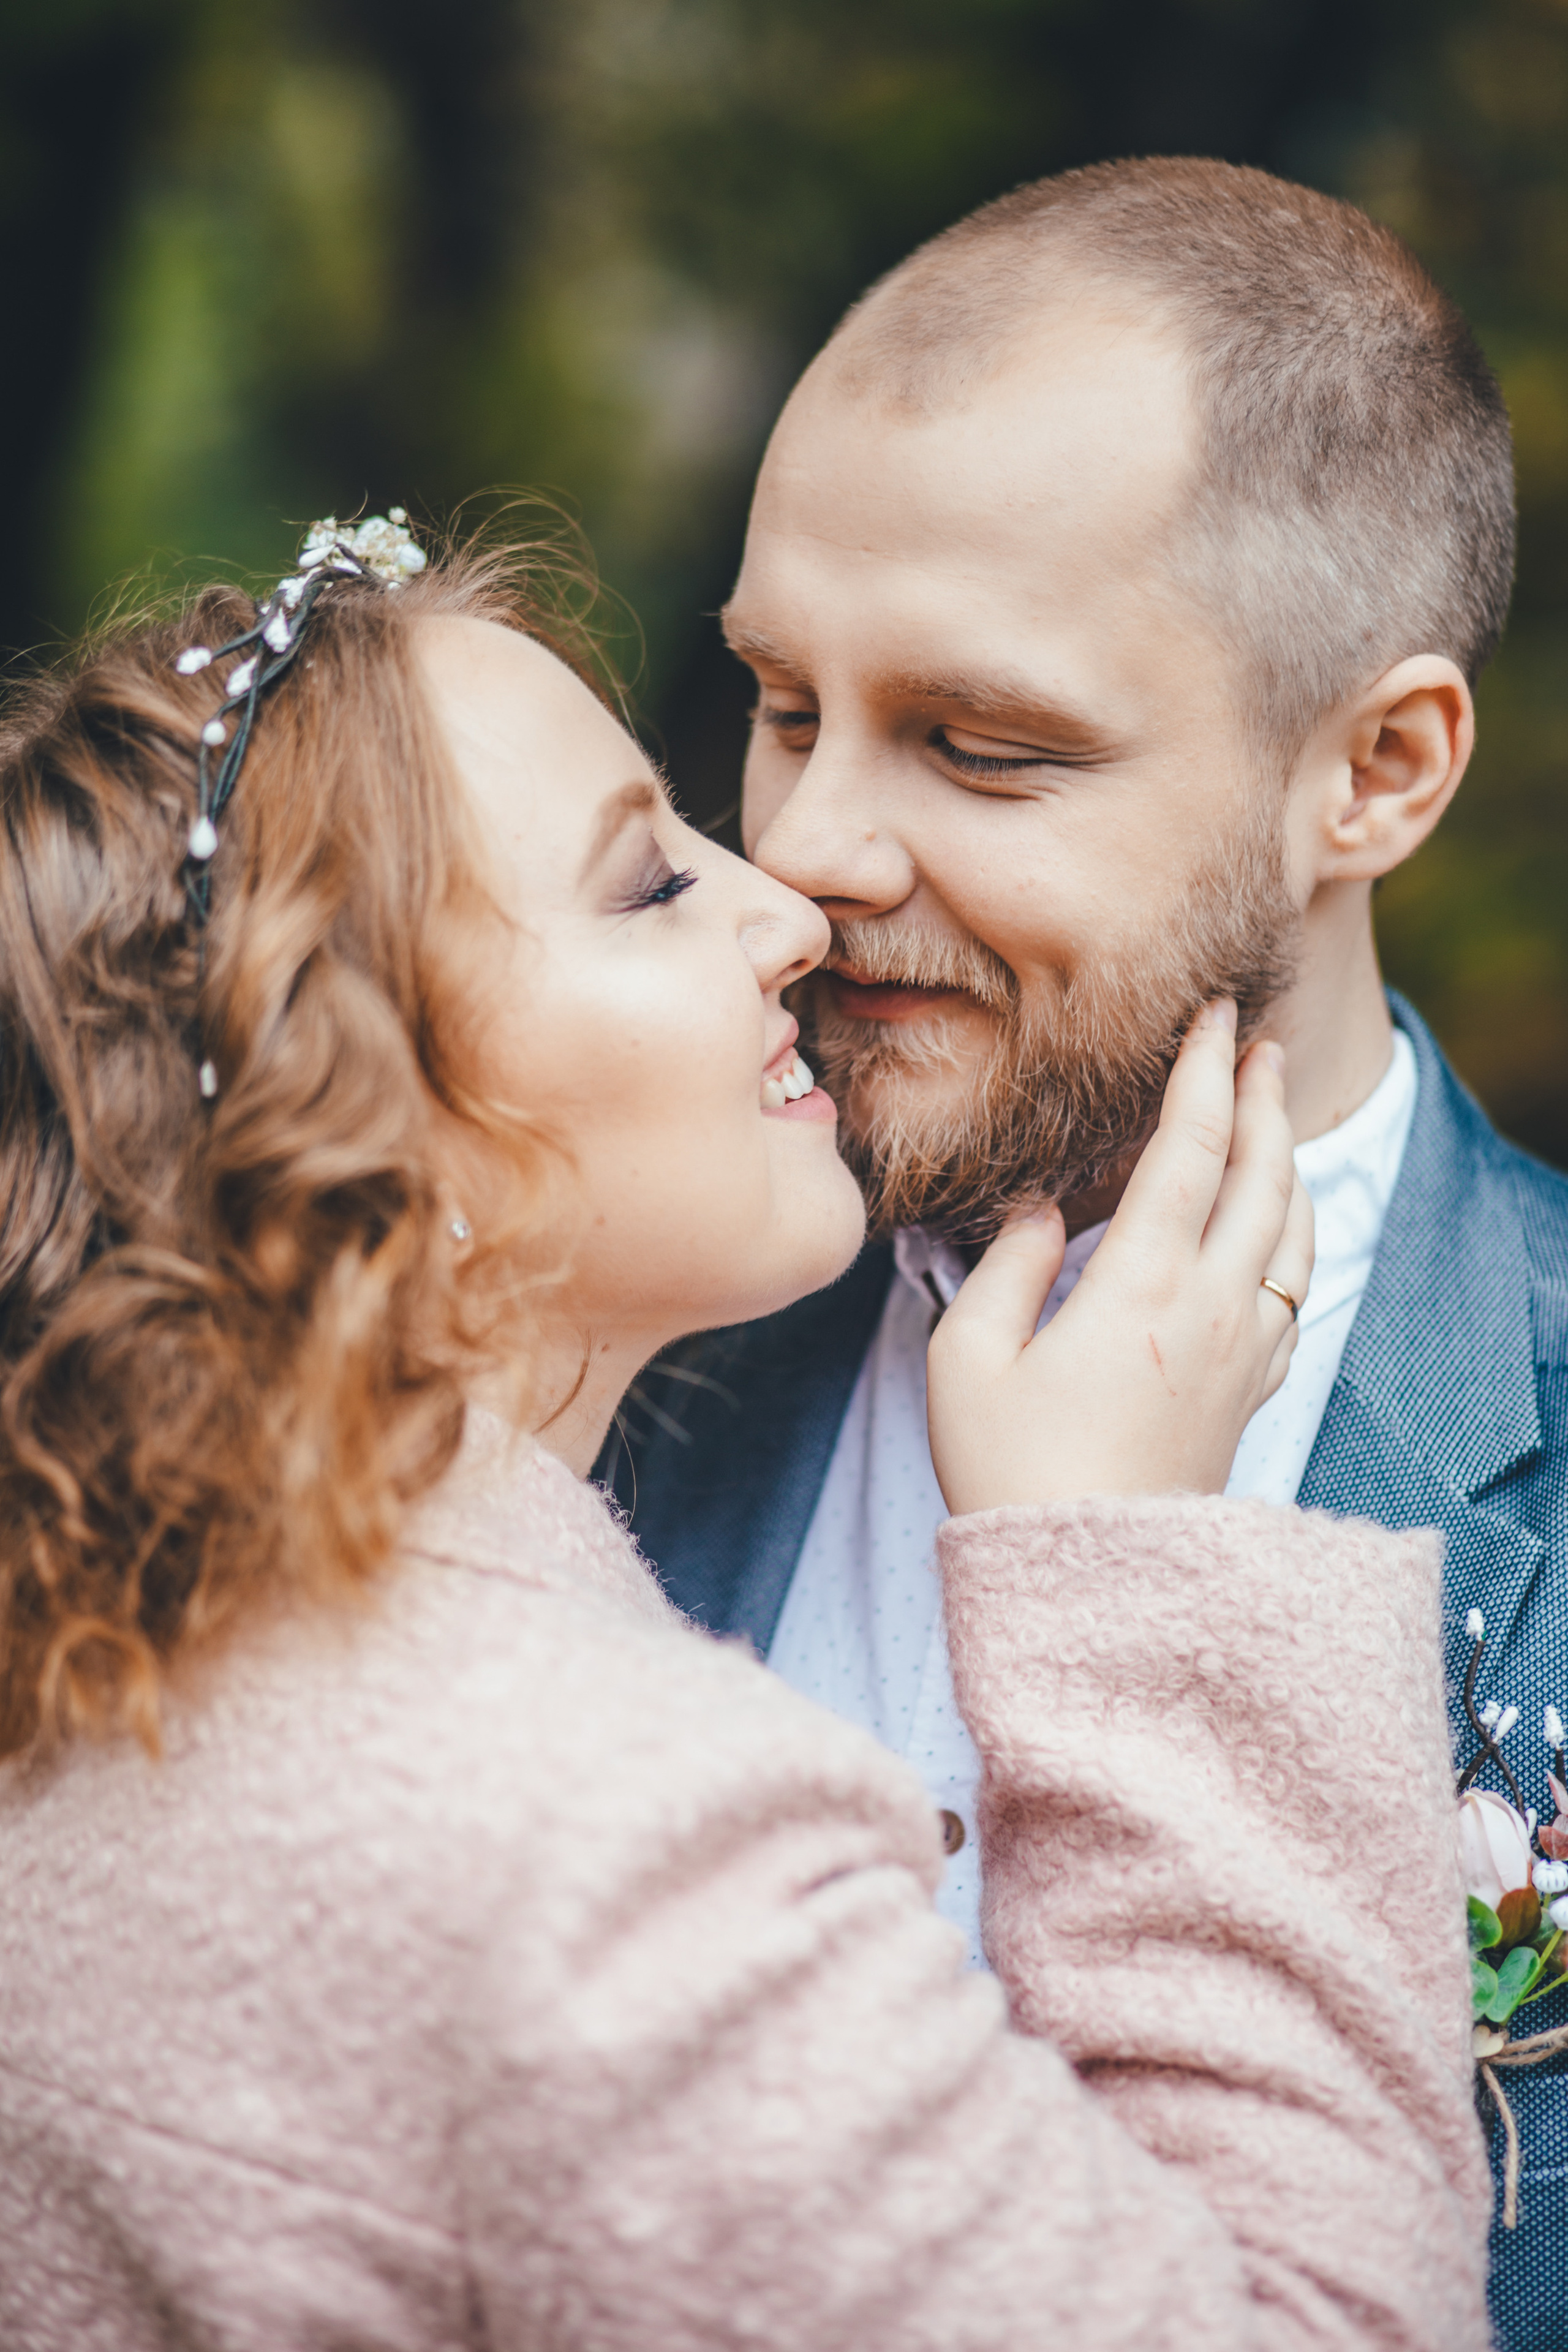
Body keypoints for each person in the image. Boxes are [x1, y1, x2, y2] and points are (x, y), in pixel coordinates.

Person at [0, 521, 1486, 2349]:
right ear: (366, 1125)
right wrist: (1135, 1567)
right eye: (647, 890)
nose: (789, 901)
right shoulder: (598, 1840)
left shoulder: (111, 1658)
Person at [600, 159, 1568, 2345]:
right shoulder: (603, 1343)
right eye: (777, 705)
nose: (812, 854)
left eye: (985, 745)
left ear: (1382, 772)